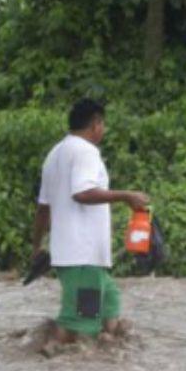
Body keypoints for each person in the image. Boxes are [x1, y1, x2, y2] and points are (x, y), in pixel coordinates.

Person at [30, 99, 150, 354]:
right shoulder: (85, 151)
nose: (103, 129)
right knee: (82, 322)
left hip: (76, 257)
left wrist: (37, 246)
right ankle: (53, 357)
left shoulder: (55, 154)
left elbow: (43, 208)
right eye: (103, 123)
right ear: (96, 123)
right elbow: (82, 192)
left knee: (109, 303)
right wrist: (126, 196)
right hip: (83, 255)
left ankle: (104, 365)